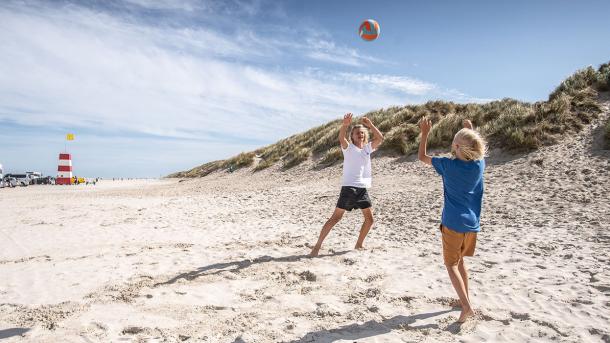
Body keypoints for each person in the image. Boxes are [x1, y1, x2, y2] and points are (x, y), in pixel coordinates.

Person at [418, 117, 486, 323]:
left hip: (453, 223)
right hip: (472, 225)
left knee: (451, 265)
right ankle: (464, 298)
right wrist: (469, 130)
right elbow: (472, 148)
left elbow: (422, 156)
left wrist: (425, 133)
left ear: (456, 147)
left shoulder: (448, 165)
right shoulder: (479, 164)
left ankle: (466, 307)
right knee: (460, 261)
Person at [310, 113, 384, 257]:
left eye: (362, 133)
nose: (360, 135)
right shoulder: (348, 148)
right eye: (357, 133)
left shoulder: (367, 149)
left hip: (362, 189)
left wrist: (370, 125)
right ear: (352, 136)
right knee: (335, 218)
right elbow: (341, 138)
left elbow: (380, 138)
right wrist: (345, 125)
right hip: (349, 188)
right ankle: (316, 247)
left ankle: (359, 244)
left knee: (369, 220)